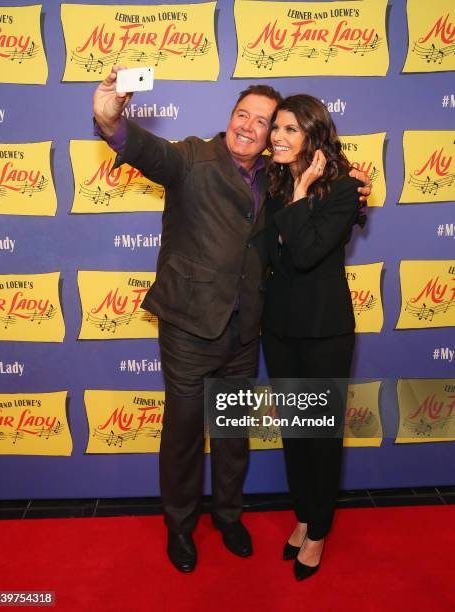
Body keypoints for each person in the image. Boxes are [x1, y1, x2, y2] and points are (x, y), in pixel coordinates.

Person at [93, 67, 370, 573]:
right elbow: (144, 149)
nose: (250, 126)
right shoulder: (191, 157)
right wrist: (111, 118)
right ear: (230, 118)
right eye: (243, 114)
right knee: (181, 433)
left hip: (247, 329)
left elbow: (315, 219)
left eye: (264, 122)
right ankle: (180, 526)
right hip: (189, 325)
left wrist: (350, 181)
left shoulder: (277, 173)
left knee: (231, 433)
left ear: (273, 136)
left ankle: (228, 515)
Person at [261, 94, 365, 581]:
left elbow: (304, 254)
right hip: (278, 329)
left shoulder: (343, 189)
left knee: (321, 436)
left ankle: (319, 529)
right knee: (295, 433)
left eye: (289, 130)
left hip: (324, 331)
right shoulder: (271, 180)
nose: (277, 136)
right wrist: (291, 188)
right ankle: (303, 515)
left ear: (314, 136)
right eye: (275, 128)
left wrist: (302, 191)